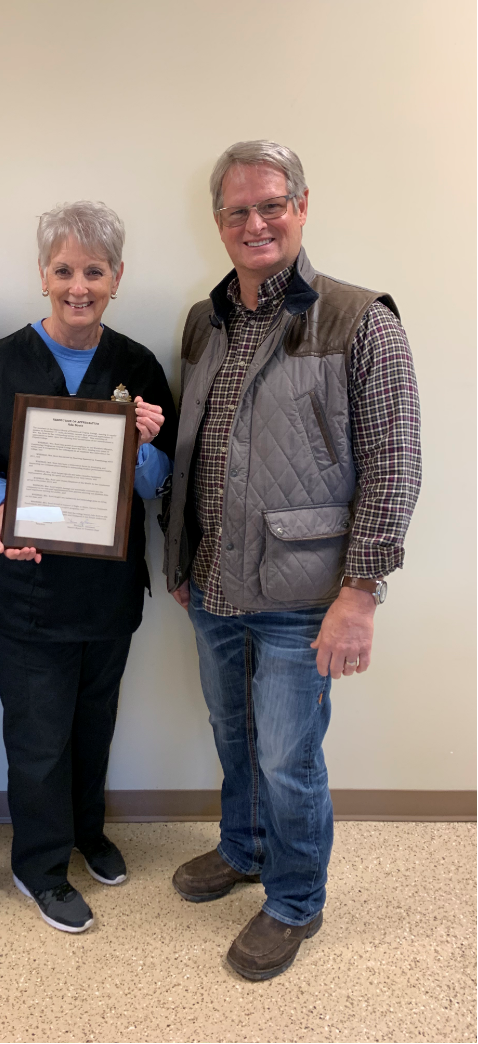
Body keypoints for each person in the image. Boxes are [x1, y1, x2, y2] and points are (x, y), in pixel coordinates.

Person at [164, 141, 421, 979]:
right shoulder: (204, 322)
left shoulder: (358, 319)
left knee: (288, 756)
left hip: (304, 593)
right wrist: (180, 557)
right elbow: (197, 448)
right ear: (218, 223)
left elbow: (394, 462)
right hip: (212, 584)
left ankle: (295, 901)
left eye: (272, 204)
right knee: (234, 739)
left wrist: (361, 593)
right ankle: (244, 849)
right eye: (238, 210)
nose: (256, 222)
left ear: (302, 208)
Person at [0, 201, 177, 933]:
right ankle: (39, 866)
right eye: (63, 270)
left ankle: (87, 831)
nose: (77, 285)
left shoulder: (138, 366)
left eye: (93, 270)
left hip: (107, 591)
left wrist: (144, 444)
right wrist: (1, 514)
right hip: (27, 588)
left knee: (94, 721)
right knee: (38, 733)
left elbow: (156, 483)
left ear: (116, 277)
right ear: (42, 275)